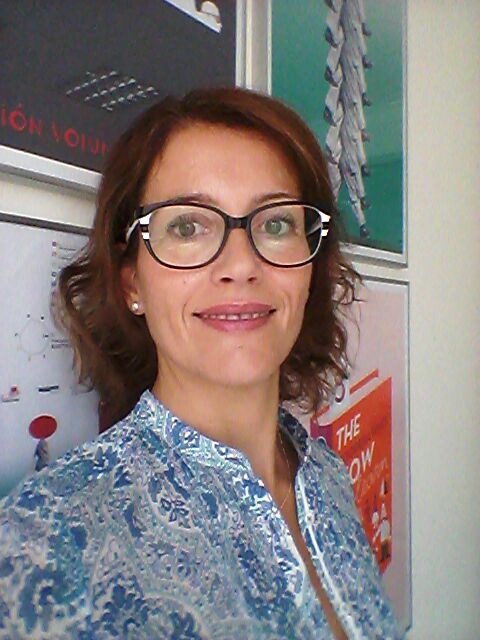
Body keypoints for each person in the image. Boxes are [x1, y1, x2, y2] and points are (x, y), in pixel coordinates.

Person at [0, 87, 402, 639]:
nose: (241, 265)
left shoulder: (328, 476)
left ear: (310, 268)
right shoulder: (46, 544)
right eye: (187, 227)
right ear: (132, 282)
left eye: (276, 224)